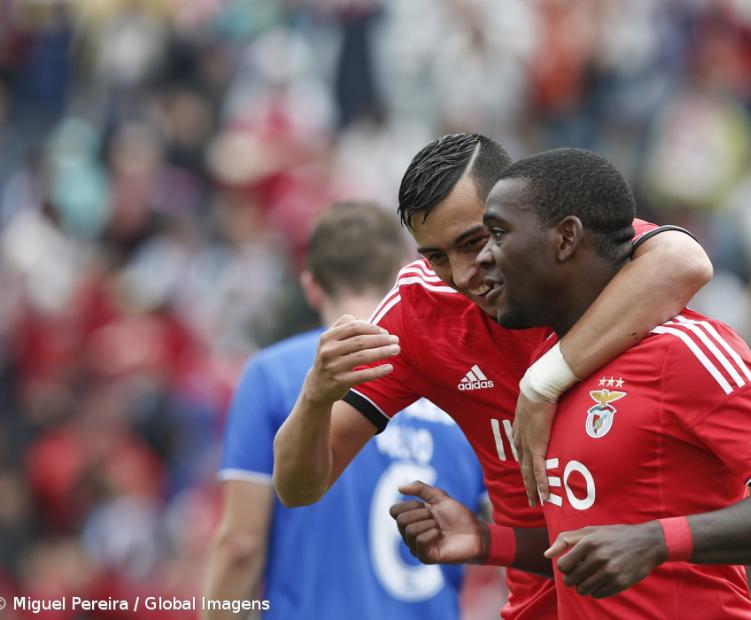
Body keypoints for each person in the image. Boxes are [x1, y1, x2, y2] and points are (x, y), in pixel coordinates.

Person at [391, 148, 751, 619]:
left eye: (496, 236)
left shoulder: (683, 349)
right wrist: (488, 541)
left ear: (565, 238)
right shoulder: (548, 374)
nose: (481, 261)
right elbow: (596, 549)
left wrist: (656, 540)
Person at [272, 133, 714, 619]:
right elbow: (299, 488)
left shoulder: (580, 259)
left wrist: (542, 382)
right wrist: (315, 395)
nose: (462, 275)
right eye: (436, 256)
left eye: (475, 241)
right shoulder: (416, 313)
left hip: (670, 598)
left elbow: (684, 261)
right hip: (540, 602)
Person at [203, 201, 486, 619]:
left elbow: (241, 545)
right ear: (400, 274)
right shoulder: (460, 373)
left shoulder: (273, 375)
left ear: (311, 286)